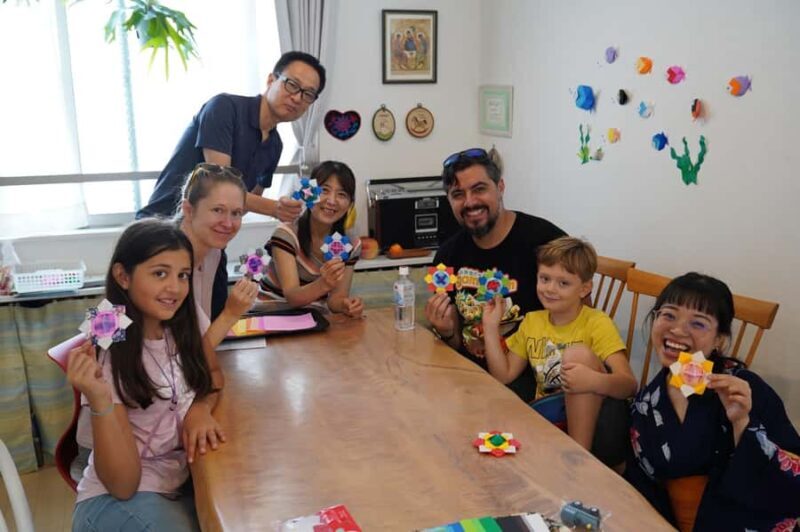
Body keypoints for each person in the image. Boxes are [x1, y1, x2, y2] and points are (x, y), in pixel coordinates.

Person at [69, 219, 224, 531]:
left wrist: (199, 408)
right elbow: (123, 486)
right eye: (159, 273)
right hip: (120, 497)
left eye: (183, 275)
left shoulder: (181, 323)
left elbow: (214, 376)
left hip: (175, 482)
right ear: (123, 276)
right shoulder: (110, 342)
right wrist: (100, 400)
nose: (175, 287)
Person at [625, 272, 800, 531]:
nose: (677, 329)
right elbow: (642, 483)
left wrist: (742, 422)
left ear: (719, 340)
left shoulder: (746, 389)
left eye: (698, 323)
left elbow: (792, 486)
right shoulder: (647, 401)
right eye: (669, 315)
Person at [424, 147, 566, 402]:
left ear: (500, 187)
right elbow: (454, 344)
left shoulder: (547, 241)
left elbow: (582, 317)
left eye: (479, 189)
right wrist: (446, 331)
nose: (469, 202)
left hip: (535, 382)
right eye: (458, 194)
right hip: (469, 379)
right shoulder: (445, 258)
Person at [482, 236, 637, 465]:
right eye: (544, 279)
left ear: (584, 289)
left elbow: (629, 385)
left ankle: (578, 460)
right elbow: (503, 375)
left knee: (577, 354)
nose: (550, 289)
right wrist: (490, 326)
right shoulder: (533, 321)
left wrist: (594, 381)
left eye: (563, 283)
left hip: (599, 426)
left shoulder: (597, 322)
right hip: (550, 419)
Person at [137, 50, 326, 222]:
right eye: (292, 85)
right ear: (270, 80)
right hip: (162, 227)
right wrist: (275, 208)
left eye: (308, 94)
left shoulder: (275, 145)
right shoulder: (224, 108)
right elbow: (220, 185)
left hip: (211, 236)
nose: (297, 98)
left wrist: (287, 208)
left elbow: (243, 205)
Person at [260, 161, 363, 317]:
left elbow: (335, 299)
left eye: (342, 194)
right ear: (310, 193)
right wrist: (324, 283)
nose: (331, 200)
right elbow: (293, 297)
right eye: (324, 190)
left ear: (350, 204)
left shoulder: (350, 244)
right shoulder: (286, 234)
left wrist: (345, 305)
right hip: (270, 314)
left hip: (313, 319)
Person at [178, 163, 259, 347]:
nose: (228, 223)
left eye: (236, 213)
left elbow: (203, 337)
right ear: (189, 210)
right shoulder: (165, 258)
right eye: (218, 210)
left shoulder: (214, 252)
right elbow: (187, 356)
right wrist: (231, 313)